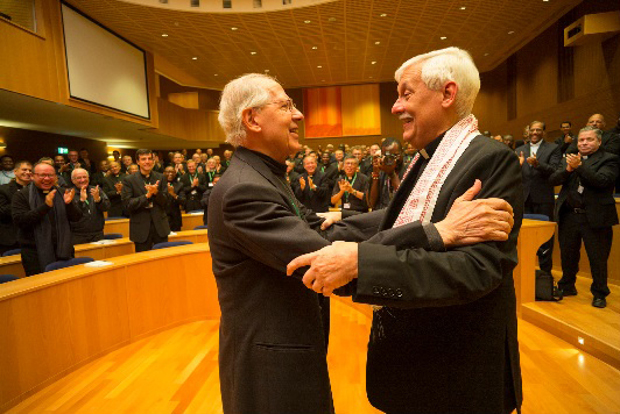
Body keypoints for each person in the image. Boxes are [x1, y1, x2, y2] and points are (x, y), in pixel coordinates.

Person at [209, 72, 515, 414]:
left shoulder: (263, 174)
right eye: (285, 105)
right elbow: (322, 254)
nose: (298, 114)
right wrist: (436, 231)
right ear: (252, 119)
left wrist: (426, 222)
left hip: (286, 354)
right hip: (270, 366)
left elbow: (322, 231)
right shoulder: (243, 189)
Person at [288, 47, 523, 414]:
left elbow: (476, 269)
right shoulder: (428, 155)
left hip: (454, 372)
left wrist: (361, 263)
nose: (395, 107)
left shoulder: (490, 160)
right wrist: (335, 223)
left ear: (447, 94)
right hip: (416, 366)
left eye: (406, 94)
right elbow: (396, 221)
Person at [550, 126, 619, 309]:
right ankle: (567, 285)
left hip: (595, 217)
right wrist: (568, 170)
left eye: (589, 140)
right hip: (570, 215)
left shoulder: (610, 159)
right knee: (568, 254)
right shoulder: (570, 157)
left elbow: (601, 181)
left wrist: (579, 167)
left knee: (598, 257)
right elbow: (553, 179)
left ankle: (599, 293)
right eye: (581, 140)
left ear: (599, 141)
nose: (584, 143)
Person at [12, 162, 81, 275]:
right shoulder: (21, 195)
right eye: (42, 175)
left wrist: (69, 204)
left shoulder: (63, 193)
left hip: (63, 249)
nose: (47, 178)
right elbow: (20, 221)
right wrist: (45, 207)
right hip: (34, 253)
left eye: (50, 175)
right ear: (33, 176)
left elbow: (77, 218)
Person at [515, 121, 561, 274]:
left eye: (538, 130)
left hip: (543, 199)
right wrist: (517, 166)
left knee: (546, 239)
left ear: (543, 132)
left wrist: (537, 164)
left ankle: (545, 275)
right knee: (523, 237)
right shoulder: (520, 149)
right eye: (532, 130)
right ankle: (525, 273)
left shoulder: (553, 148)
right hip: (524, 199)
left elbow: (555, 171)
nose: (534, 132)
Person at [121, 149, 170, 252]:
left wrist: (156, 193)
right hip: (140, 229)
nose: (147, 161)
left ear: (154, 161)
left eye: (150, 159)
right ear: (138, 162)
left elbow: (166, 202)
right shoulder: (129, 180)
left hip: (160, 227)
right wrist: (147, 196)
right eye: (143, 159)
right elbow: (127, 205)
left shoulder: (161, 177)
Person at [69, 168, 110, 245]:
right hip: (77, 235)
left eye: (85, 177)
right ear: (73, 180)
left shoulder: (96, 190)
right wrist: (81, 201)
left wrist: (98, 200)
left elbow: (107, 207)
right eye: (79, 178)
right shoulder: (69, 193)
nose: (82, 180)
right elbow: (72, 214)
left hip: (97, 234)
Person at [0, 161, 32, 255]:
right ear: (15, 172)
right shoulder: (3, 189)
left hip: (31, 238)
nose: (28, 172)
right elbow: (2, 212)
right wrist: (21, 200)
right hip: (10, 238)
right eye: (24, 169)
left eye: (30, 170)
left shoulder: (35, 190)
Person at [367, 137, 405, 210]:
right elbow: (371, 203)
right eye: (389, 157)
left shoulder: (409, 170)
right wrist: (376, 175)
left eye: (396, 155)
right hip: (381, 215)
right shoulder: (382, 170)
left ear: (402, 152)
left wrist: (392, 174)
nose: (394, 160)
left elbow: (405, 201)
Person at [163, 165, 185, 232]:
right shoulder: (159, 185)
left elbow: (183, 201)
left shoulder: (179, 185)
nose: (170, 174)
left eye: (172, 172)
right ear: (163, 173)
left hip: (175, 219)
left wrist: (173, 194)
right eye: (168, 172)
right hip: (162, 218)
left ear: (175, 173)